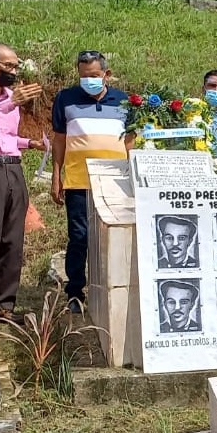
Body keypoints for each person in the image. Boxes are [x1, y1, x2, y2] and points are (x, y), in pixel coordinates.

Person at [52, 50, 131, 313]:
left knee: (113, 235)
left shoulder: (125, 102)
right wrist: (56, 175)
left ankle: (112, 287)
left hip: (116, 181)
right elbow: (60, 139)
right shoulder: (65, 98)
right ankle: (75, 292)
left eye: (94, 76)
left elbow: (130, 141)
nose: (89, 81)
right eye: (84, 76)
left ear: (106, 74)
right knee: (79, 237)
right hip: (78, 180)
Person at [0, 43, 44, 323]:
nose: (14, 72)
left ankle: (5, 306)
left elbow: (5, 136)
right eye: (8, 66)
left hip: (12, 169)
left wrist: (30, 143)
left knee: (12, 238)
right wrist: (9, 103)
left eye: (17, 66)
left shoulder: (8, 95)